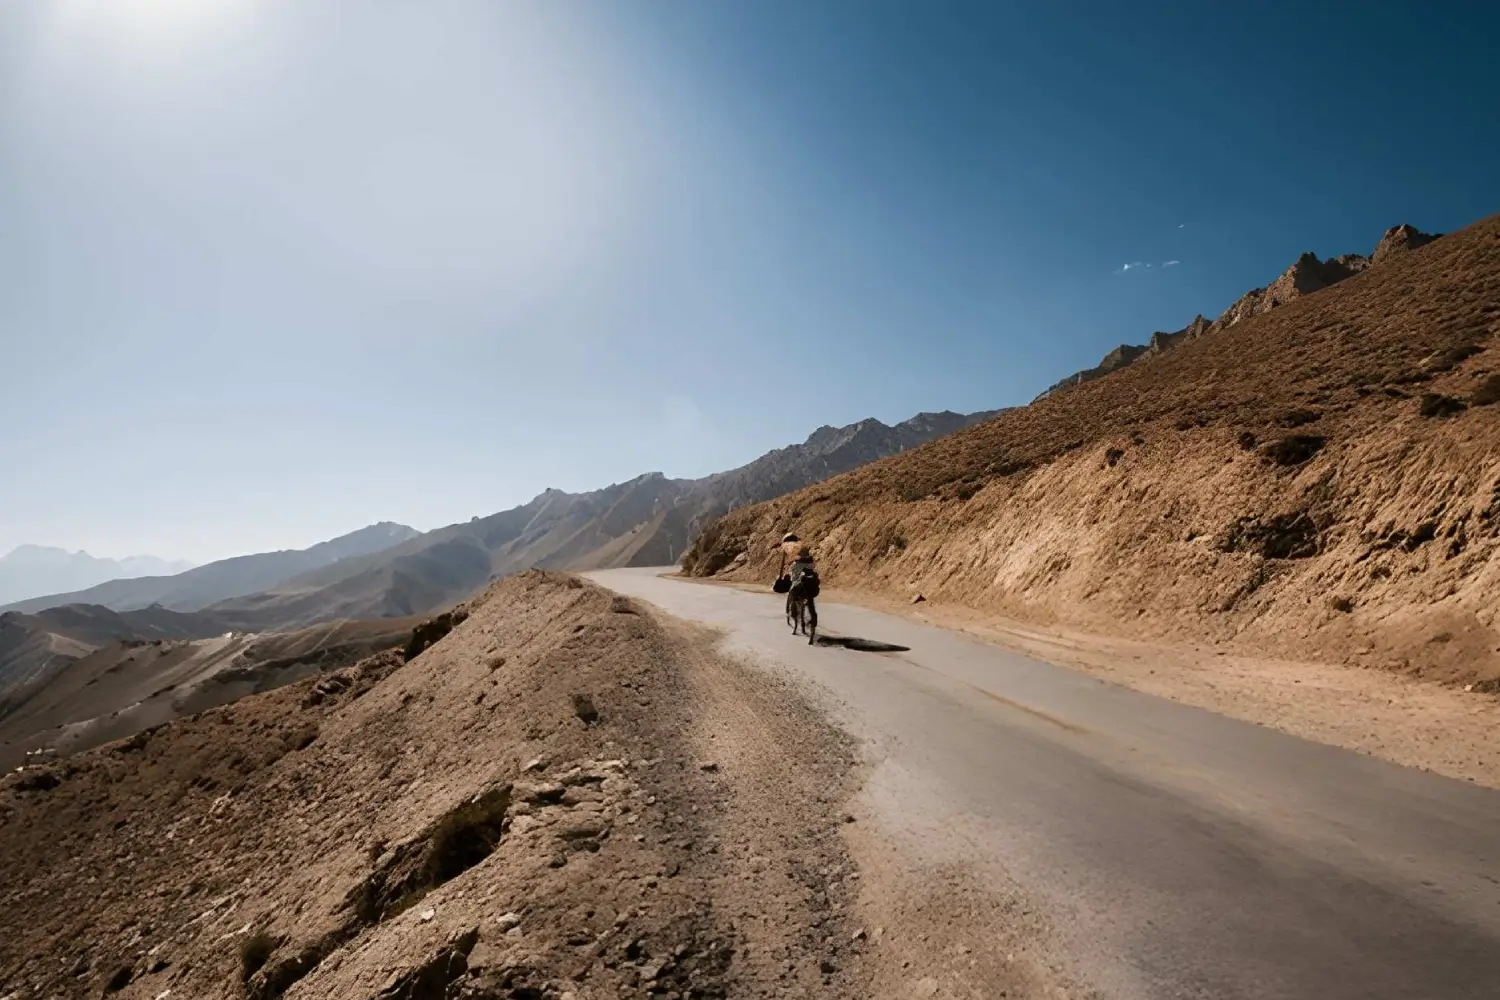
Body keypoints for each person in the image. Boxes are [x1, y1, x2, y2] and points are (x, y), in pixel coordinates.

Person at [787, 545, 819, 641]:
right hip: (811, 588)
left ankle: (795, 625)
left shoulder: (797, 563)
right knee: (811, 605)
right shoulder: (811, 562)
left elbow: (793, 576)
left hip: (801, 588)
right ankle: (812, 625)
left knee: (793, 598)